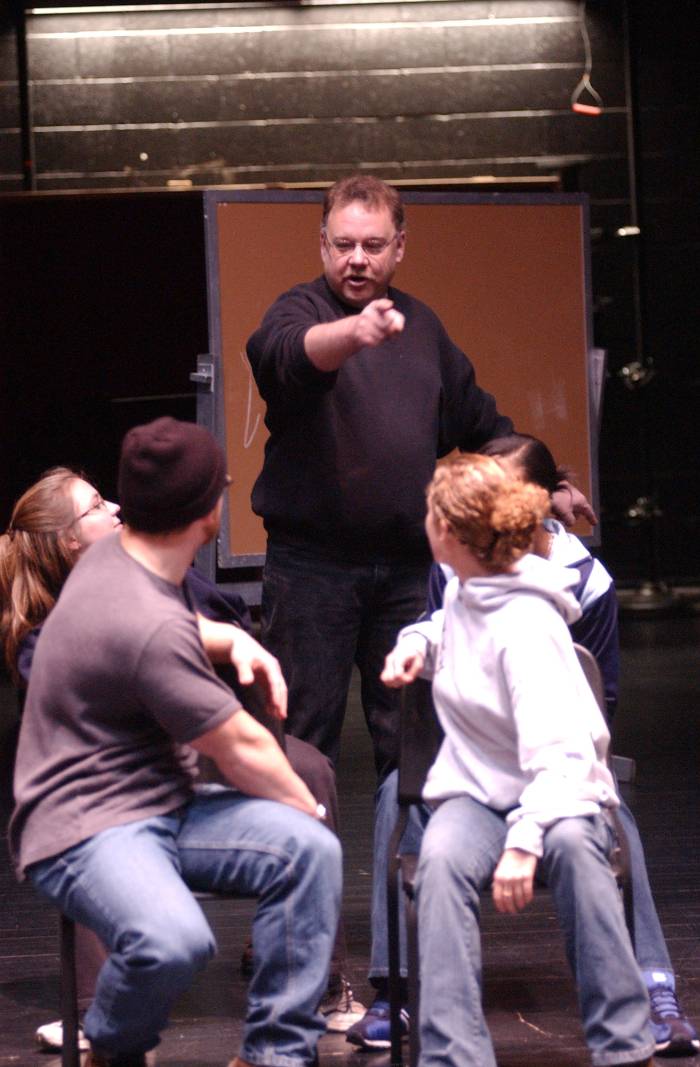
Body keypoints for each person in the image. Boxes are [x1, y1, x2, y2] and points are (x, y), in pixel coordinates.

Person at [348, 434, 699, 1058]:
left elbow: (562, 756)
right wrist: (417, 644)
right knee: (443, 857)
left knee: (576, 846)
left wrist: (522, 843)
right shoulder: (465, 586)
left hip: (557, 793)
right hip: (480, 789)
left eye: (433, 515)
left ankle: (623, 1039)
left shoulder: (528, 627)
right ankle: (454, 1051)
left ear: (457, 535)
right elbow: (448, 623)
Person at [7, 417, 342, 1067]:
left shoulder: (113, 557)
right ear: (204, 510)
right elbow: (240, 744)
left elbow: (175, 622)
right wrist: (305, 805)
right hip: (82, 825)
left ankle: (275, 1054)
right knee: (174, 936)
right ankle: (111, 1038)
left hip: (160, 799)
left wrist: (232, 637)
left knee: (310, 854)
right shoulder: (147, 625)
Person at [247, 173, 593, 778]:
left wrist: (548, 489)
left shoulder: (423, 326)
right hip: (311, 572)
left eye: (373, 246)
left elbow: (486, 427)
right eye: (343, 244)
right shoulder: (300, 310)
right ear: (322, 244)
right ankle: (304, 869)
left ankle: (409, 871)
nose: (356, 259)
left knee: (417, 750)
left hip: (409, 572)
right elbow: (287, 353)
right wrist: (355, 333)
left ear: (399, 247)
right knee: (299, 747)